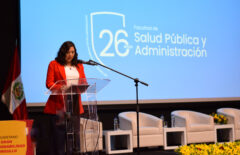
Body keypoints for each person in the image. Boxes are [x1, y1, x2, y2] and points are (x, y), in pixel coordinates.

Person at [44, 41, 86, 155]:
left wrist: (83, 86)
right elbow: (49, 83)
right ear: (63, 52)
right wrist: (61, 87)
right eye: (68, 52)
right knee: (60, 137)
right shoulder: (54, 64)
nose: (70, 55)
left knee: (75, 135)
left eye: (72, 52)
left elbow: (83, 81)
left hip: (75, 105)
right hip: (59, 106)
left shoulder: (79, 65)